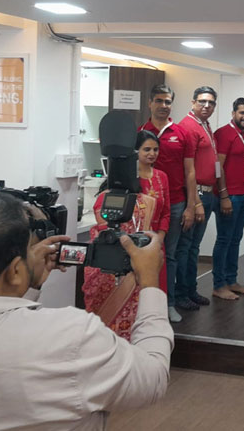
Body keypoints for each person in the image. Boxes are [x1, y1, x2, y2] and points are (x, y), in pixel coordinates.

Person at [0, 191, 173, 429]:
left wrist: (27, 286)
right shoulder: (71, 336)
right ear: (15, 271)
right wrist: (149, 282)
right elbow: (152, 378)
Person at [84, 129, 171, 339]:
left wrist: (159, 237)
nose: (152, 154)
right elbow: (104, 223)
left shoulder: (162, 176)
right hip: (122, 250)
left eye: (155, 149)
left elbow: (166, 212)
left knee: (151, 294)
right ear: (135, 152)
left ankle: (146, 336)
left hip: (152, 245)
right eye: (147, 149)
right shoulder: (120, 185)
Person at [140, 83, 199, 323]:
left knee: (169, 256)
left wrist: (191, 206)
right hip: (144, 206)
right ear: (150, 103)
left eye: (168, 101)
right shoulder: (140, 132)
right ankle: (142, 306)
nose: (164, 105)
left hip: (175, 204)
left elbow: (190, 171)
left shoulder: (181, 132)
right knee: (142, 255)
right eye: (159, 101)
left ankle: (168, 304)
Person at [177, 86, 222, 310]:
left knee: (194, 246)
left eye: (211, 103)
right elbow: (188, 169)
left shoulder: (204, 125)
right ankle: (180, 294)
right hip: (197, 194)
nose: (206, 106)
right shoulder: (187, 126)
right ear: (193, 102)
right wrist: (195, 202)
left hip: (209, 192)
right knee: (185, 247)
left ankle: (190, 290)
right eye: (202, 101)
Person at [212, 98, 244, 300]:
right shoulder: (224, 133)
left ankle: (232, 280)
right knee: (224, 239)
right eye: (242, 113)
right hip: (229, 195)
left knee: (235, 239)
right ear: (233, 114)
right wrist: (224, 195)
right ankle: (219, 285)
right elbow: (218, 167)